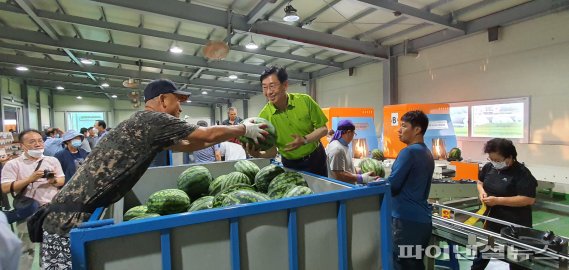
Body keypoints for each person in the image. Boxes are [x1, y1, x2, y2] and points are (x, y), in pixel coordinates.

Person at [40, 79, 267, 268]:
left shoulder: (144, 125)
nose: (180, 108)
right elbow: (205, 135)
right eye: (177, 101)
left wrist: (229, 135)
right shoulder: (152, 120)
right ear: (162, 100)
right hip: (68, 221)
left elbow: (187, 144)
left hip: (71, 214)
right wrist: (244, 128)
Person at [0, 130, 65, 270]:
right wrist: (30, 179)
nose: (37, 144)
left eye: (40, 140)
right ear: (22, 145)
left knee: (50, 247)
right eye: (32, 141)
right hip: (28, 210)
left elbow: (61, 180)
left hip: (50, 209)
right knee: (26, 247)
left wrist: (52, 180)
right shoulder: (13, 164)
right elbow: (5, 187)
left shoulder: (52, 160)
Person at [248, 66, 329, 177]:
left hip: (316, 158)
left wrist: (304, 139)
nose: (268, 92)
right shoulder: (264, 117)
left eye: (272, 86)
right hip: (290, 165)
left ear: (285, 85)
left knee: (321, 191)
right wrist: (258, 154)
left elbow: (323, 129)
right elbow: (273, 152)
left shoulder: (305, 101)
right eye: (264, 87)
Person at [471, 138, 537, 270]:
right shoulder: (489, 167)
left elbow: (528, 199)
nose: (494, 163)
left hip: (515, 224)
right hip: (491, 221)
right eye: (491, 159)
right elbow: (480, 182)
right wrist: (482, 192)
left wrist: (497, 200)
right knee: (482, 253)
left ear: (509, 157)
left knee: (517, 260)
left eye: (497, 160)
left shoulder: (522, 173)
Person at [387, 110, 434, 270]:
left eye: (404, 126)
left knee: (402, 264)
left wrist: (369, 182)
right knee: (414, 263)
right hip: (421, 221)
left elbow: (392, 186)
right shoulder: (426, 152)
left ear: (417, 130)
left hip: (406, 222)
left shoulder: (409, 152)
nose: (399, 130)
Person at [325, 120, 377, 184]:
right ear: (348, 132)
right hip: (341, 190)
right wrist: (361, 178)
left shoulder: (343, 146)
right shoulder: (337, 149)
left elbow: (346, 168)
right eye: (354, 134)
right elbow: (340, 175)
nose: (353, 137)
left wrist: (361, 172)